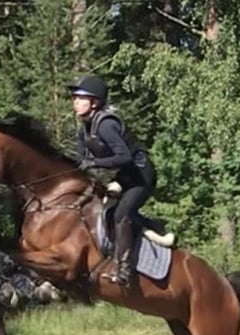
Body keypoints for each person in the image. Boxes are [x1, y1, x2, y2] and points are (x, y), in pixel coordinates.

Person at [68, 75, 173, 286]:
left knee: (120, 215)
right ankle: (150, 224)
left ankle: (125, 270)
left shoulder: (106, 125)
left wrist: (94, 162)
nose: (75, 102)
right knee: (105, 211)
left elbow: (124, 156)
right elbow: (81, 161)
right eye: (74, 98)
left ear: (95, 102)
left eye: (81, 98)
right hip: (125, 175)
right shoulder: (84, 129)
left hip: (141, 175)